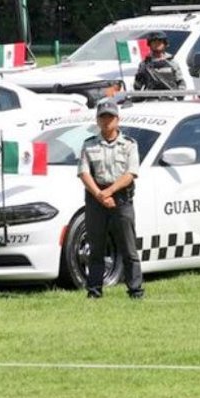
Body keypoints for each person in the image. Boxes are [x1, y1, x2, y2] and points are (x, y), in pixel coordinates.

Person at [79, 99, 144, 300]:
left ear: (118, 119)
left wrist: (110, 192)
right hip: (95, 199)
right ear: (97, 121)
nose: (106, 121)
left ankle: (135, 290)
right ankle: (94, 291)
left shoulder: (129, 145)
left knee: (128, 247)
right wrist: (100, 194)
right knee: (96, 248)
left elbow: (131, 173)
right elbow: (83, 172)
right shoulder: (88, 145)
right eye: (103, 117)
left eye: (110, 117)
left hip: (121, 198)